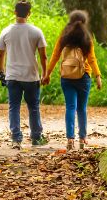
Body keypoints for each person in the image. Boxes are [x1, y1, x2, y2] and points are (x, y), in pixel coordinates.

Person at [42, 10, 103, 150]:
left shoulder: (64, 37)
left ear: (70, 21)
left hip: (67, 76)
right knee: (82, 108)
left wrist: (47, 74)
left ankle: (70, 139)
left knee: (70, 106)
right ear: (84, 22)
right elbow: (92, 59)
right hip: (84, 76)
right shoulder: (87, 38)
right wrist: (98, 76)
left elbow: (55, 56)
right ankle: (82, 138)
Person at [0, 0, 48, 150]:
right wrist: (45, 74)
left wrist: (2, 71)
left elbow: (0, 55)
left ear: (15, 12)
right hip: (31, 76)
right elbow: (43, 56)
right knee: (33, 107)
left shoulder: (6, 31)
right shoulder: (36, 31)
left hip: (12, 76)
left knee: (14, 107)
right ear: (29, 14)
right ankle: (36, 138)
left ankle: (16, 138)